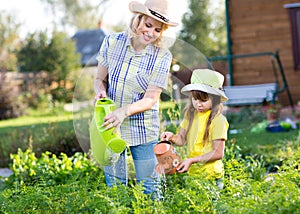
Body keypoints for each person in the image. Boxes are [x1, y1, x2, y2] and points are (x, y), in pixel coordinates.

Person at [94, 0, 178, 198]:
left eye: (157, 29)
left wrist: (123, 112)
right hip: (111, 127)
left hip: (143, 127)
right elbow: (100, 79)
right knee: (115, 190)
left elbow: (150, 99)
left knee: (151, 189)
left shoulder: (162, 56)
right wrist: (100, 92)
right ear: (137, 20)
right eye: (148, 25)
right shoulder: (112, 42)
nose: (151, 32)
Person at [160, 69, 229, 189]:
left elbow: (218, 153)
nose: (198, 104)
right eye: (195, 99)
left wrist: (192, 160)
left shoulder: (218, 120)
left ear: (216, 98)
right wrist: (171, 137)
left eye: (203, 100)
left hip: (211, 176)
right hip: (194, 175)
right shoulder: (191, 115)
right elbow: (181, 140)